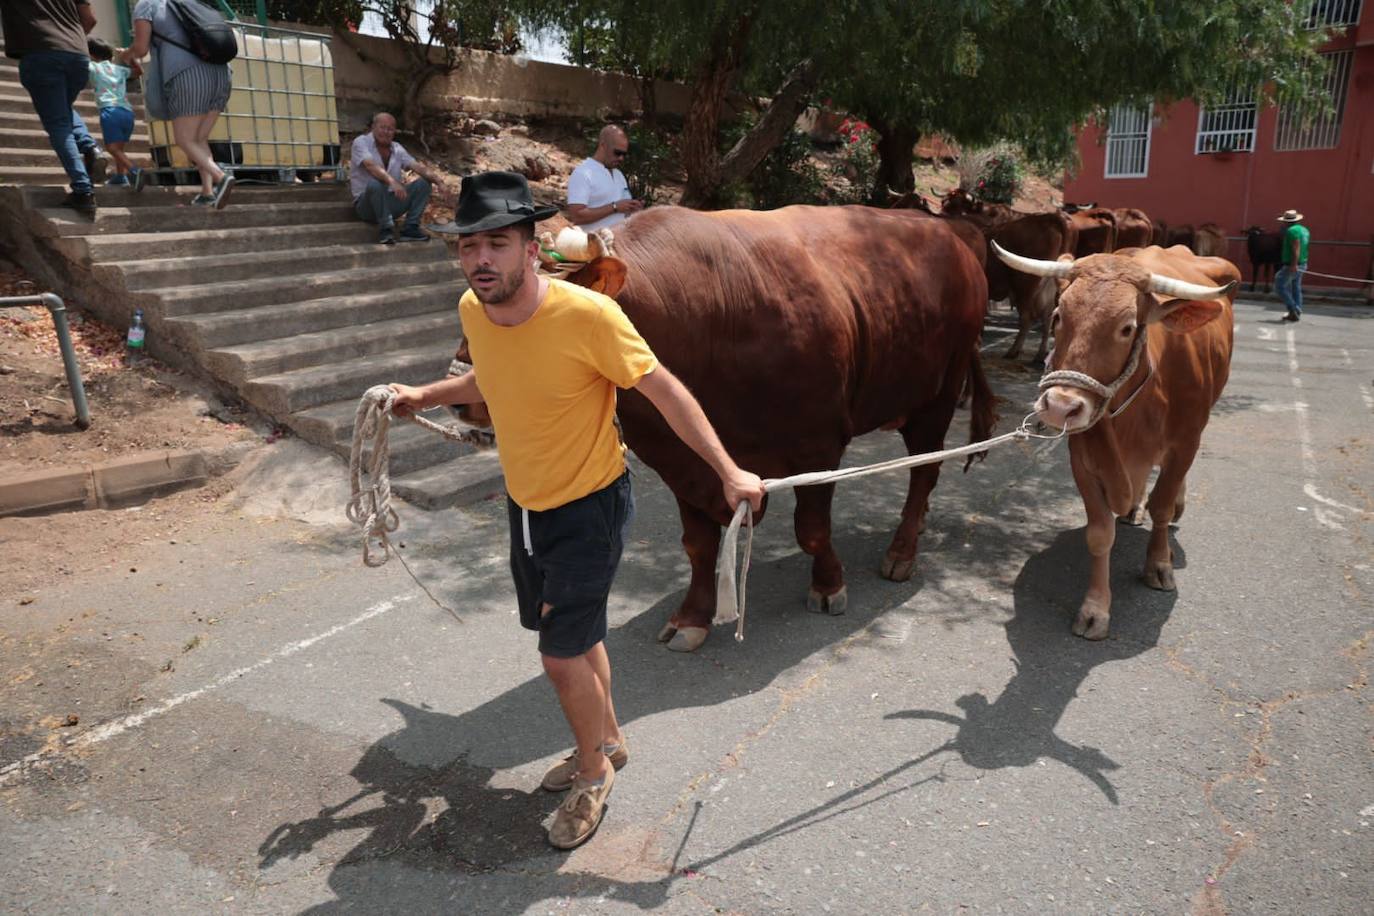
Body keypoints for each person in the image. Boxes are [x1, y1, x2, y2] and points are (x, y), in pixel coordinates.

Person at [387, 171, 765, 851]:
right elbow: (492, 376)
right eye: (468, 245)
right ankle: (609, 740)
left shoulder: (590, 317)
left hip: (590, 507)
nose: (479, 260)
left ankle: (594, 775)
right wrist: (428, 393)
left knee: (560, 657)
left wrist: (728, 470)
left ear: (531, 248)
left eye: (496, 244)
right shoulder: (475, 311)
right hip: (528, 506)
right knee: (580, 638)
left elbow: (666, 392)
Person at [118, 0, 235, 208]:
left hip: (187, 73)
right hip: (221, 73)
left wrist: (124, 56)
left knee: (184, 139)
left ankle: (220, 177)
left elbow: (141, 48)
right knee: (199, 138)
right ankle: (207, 192)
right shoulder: (193, 4)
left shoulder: (146, 5)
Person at [1, 0, 105, 215]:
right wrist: (68, 40)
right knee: (61, 109)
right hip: (77, 55)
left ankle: (83, 190)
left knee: (57, 123)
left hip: (41, 53)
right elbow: (90, 19)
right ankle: (89, 147)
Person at [349, 112, 446, 245]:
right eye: (382, 127)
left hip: (391, 203)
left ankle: (410, 228)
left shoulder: (397, 148)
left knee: (424, 183)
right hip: (367, 206)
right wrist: (392, 181)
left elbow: (417, 167)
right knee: (375, 184)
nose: (386, 132)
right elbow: (370, 166)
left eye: (390, 129)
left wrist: (439, 182)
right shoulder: (361, 142)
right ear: (373, 127)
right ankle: (386, 229)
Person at [86, 37, 141, 189]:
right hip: (127, 112)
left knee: (112, 148)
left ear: (92, 55)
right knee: (119, 148)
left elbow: (79, 63)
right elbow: (138, 72)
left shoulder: (93, 67)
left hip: (110, 111)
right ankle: (121, 176)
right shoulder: (120, 69)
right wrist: (129, 58)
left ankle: (134, 171)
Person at [565, 124, 643, 232]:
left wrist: (633, 209)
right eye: (617, 153)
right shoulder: (582, 173)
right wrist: (614, 207)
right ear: (603, 146)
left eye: (624, 154)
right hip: (593, 245)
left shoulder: (619, 175)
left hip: (619, 243)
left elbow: (622, 213)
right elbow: (577, 216)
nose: (621, 158)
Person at [1276, 209, 1309, 323]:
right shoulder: (1304, 230)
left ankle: (1293, 309)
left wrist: (1293, 264)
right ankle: (1297, 310)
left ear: (1287, 222)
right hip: (1303, 263)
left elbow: (1296, 247)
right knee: (1296, 287)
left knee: (1280, 285)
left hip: (1292, 263)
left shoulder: (1291, 231)